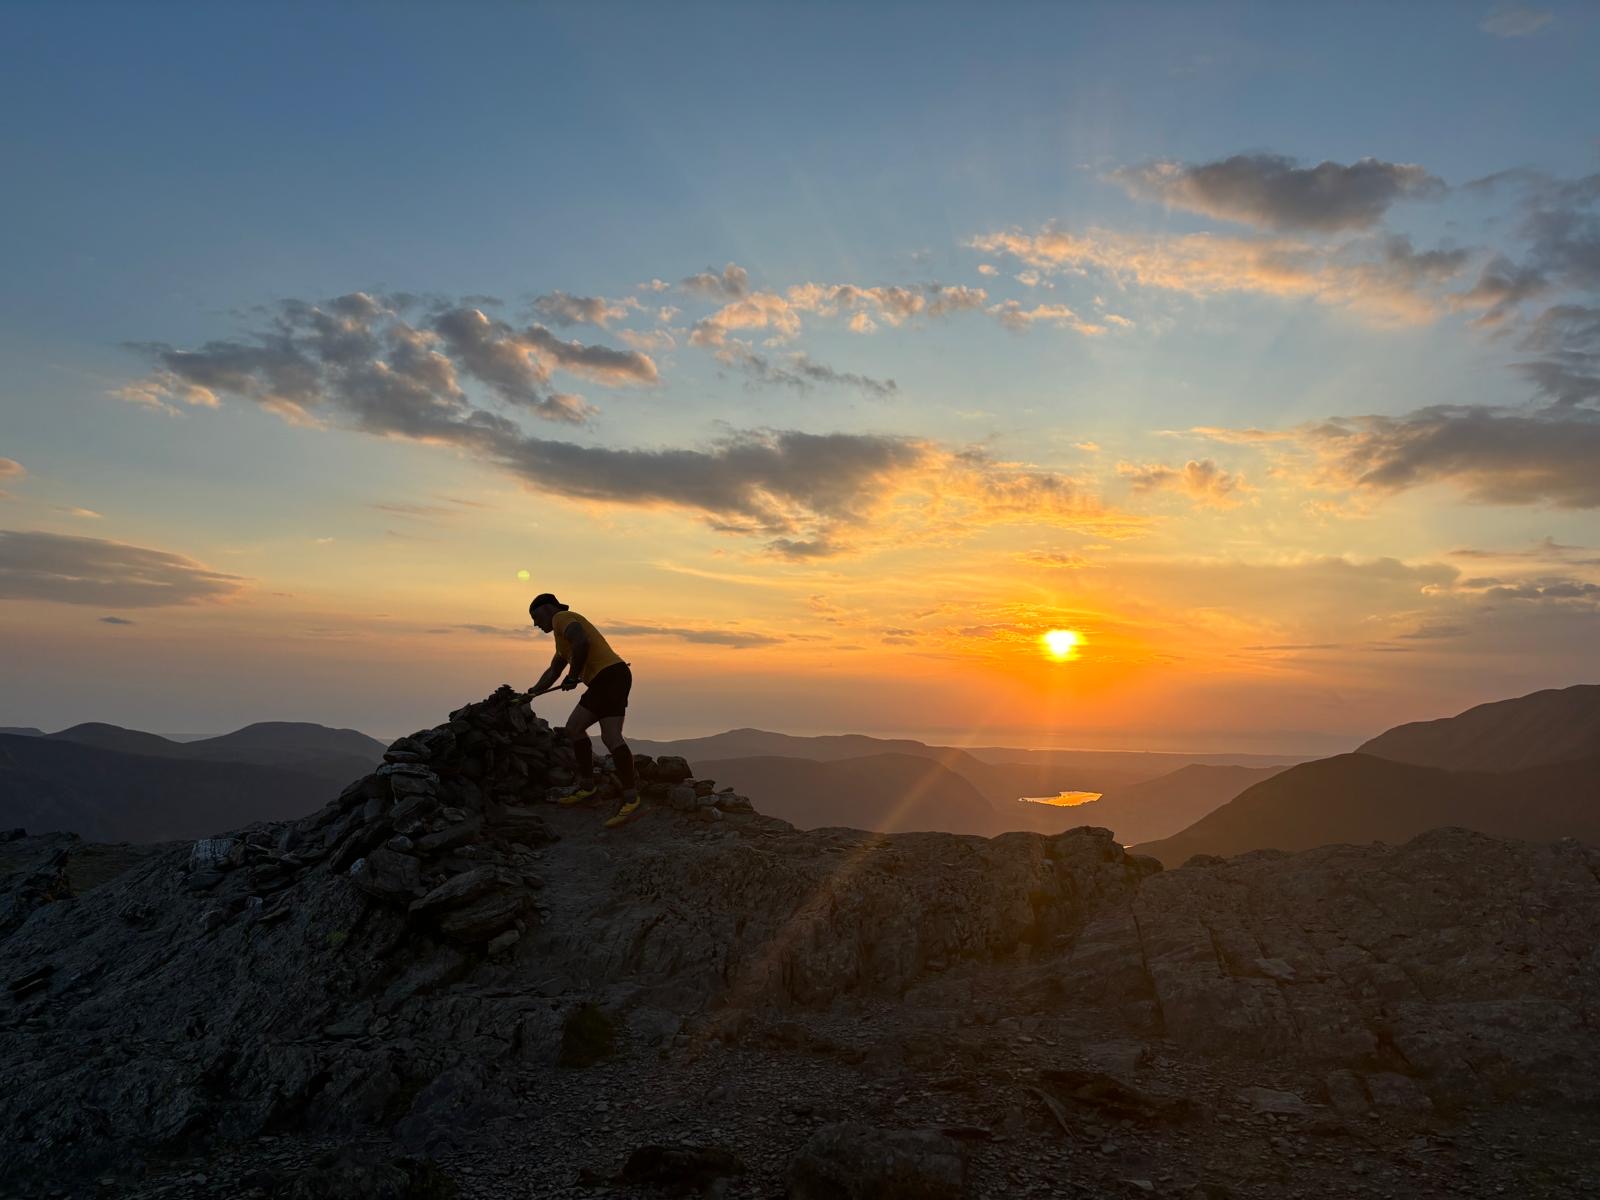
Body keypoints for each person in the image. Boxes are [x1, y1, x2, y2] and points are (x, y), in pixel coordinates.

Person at [527, 592, 640, 827]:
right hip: (610, 678)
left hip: (609, 677)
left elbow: (582, 642)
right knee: (574, 729)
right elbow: (553, 671)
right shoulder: (561, 639)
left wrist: (574, 676)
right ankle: (588, 787)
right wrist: (532, 692)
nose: (535, 624)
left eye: (536, 617)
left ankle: (630, 798)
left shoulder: (563, 618)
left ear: (548, 609)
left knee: (609, 736)